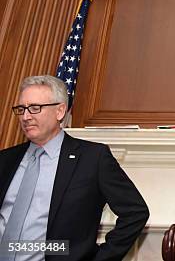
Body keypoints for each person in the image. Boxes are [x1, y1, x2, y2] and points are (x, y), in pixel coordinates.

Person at [0, 75, 149, 261]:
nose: (26, 117)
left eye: (35, 108)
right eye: (21, 109)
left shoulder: (93, 159)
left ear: (60, 111)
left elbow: (135, 212)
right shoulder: (6, 159)